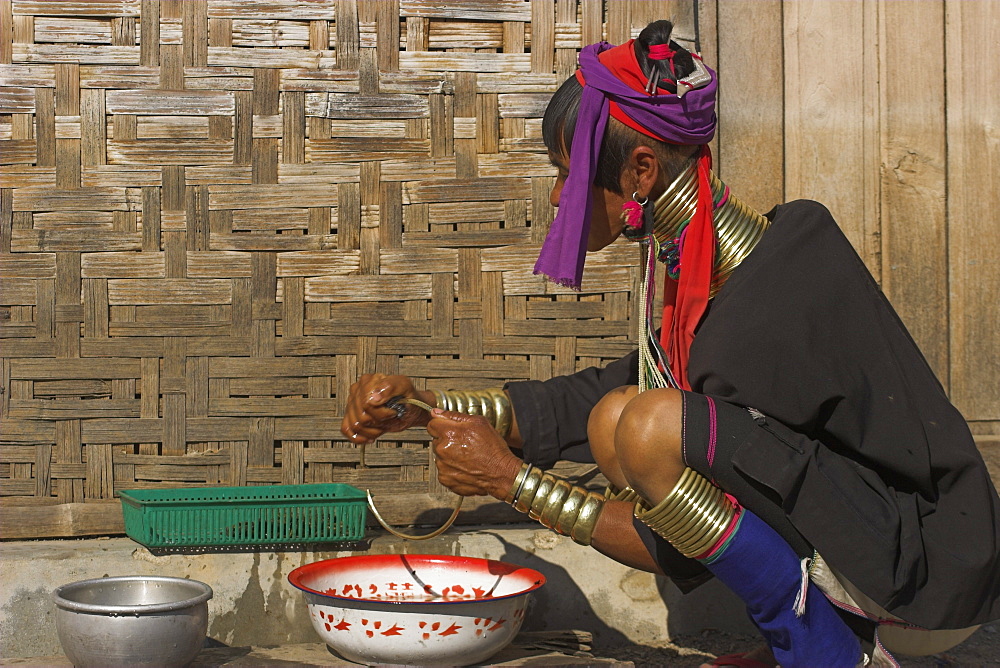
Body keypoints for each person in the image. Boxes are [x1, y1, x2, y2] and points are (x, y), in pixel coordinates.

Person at [341, 20, 1000, 668]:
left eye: (567, 175)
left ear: (642, 172)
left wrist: (511, 481)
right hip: (891, 558)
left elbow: (669, 544)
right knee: (617, 416)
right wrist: (427, 405)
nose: (556, 197)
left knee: (652, 427)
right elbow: (602, 396)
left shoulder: (763, 311)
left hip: (928, 586)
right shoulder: (729, 272)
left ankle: (819, 652)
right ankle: (809, 639)